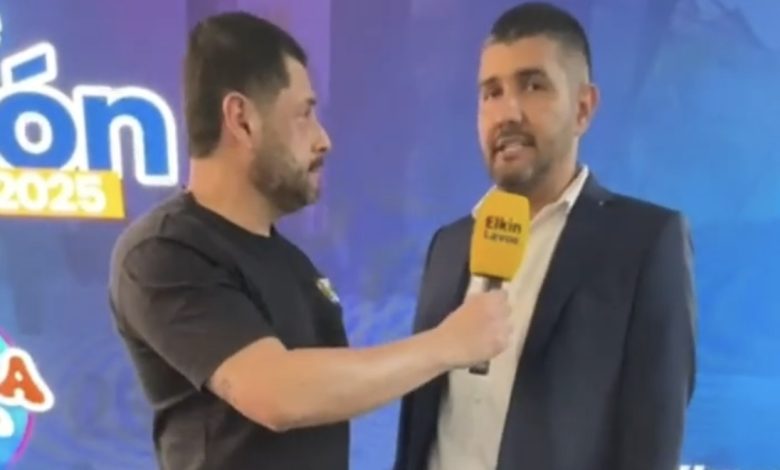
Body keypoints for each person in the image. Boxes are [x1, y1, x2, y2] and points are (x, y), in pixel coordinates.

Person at [108, 12, 513, 470]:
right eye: (304, 113)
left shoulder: (295, 266)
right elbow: (276, 394)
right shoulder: (164, 251)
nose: (324, 140)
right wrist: (447, 345)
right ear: (242, 119)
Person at [394, 3, 697, 470]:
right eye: (491, 93)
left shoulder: (644, 243)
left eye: (533, 85)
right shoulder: (449, 246)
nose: (507, 112)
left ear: (583, 108)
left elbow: (652, 440)